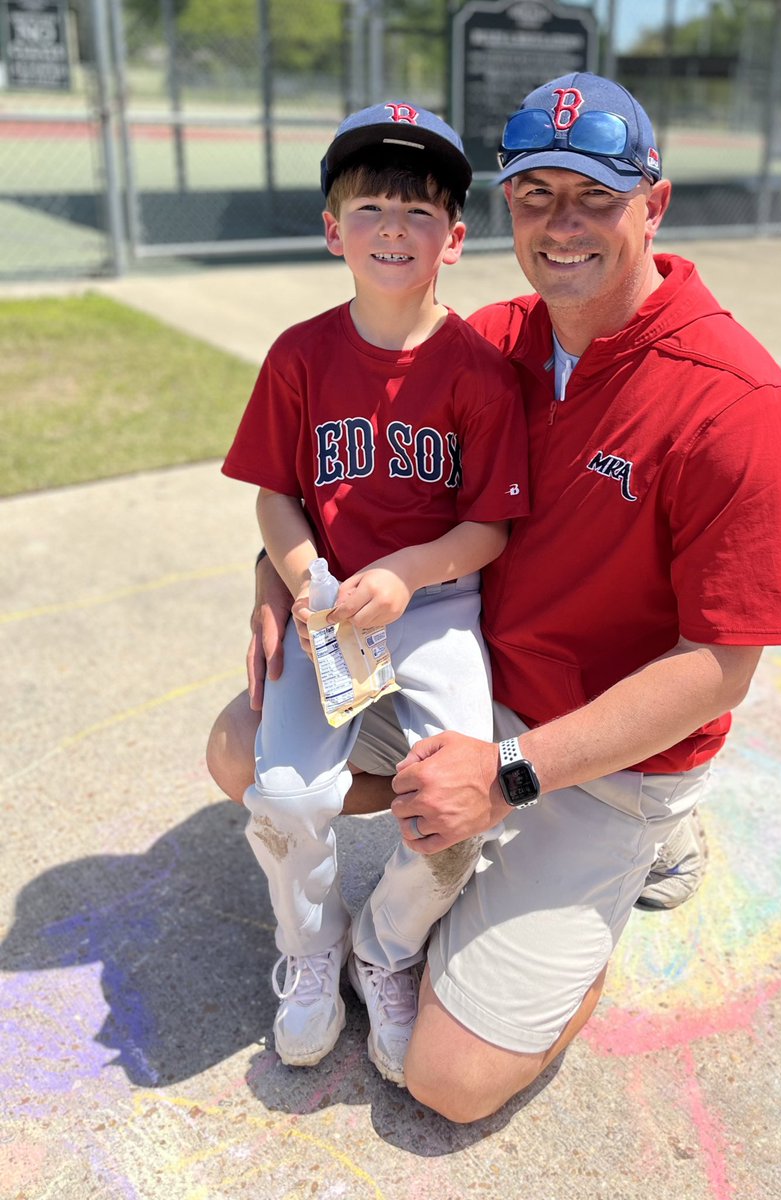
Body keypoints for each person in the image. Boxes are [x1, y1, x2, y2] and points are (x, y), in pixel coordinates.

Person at [207, 72, 781, 1121]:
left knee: (446, 1083)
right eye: (537, 196)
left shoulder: (741, 405)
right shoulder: (492, 342)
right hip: (480, 688)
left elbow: (722, 669)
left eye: (595, 196)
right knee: (244, 747)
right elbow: (330, 486)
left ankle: (617, 878)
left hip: (606, 758)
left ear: (655, 205)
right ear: (504, 210)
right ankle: (480, 860)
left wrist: (512, 776)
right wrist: (279, 576)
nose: (561, 224)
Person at [219, 101, 529, 1085]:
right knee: (283, 791)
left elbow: (487, 527)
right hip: (327, 609)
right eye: (370, 207)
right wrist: (305, 572)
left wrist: (406, 572)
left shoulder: (479, 373)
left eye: (419, 211)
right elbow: (276, 493)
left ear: (456, 239)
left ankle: (385, 946)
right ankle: (311, 948)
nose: (393, 228)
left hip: (434, 609)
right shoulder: (300, 355)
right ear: (331, 229)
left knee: (457, 802)